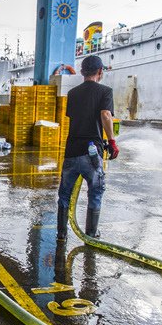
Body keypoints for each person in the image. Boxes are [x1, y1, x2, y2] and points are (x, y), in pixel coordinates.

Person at [56, 55, 119, 242]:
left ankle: (61, 234)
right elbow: (105, 115)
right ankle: (91, 234)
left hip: (71, 151)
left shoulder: (73, 93)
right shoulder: (105, 91)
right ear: (100, 72)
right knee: (95, 192)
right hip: (92, 152)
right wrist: (112, 141)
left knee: (64, 194)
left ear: (82, 72)